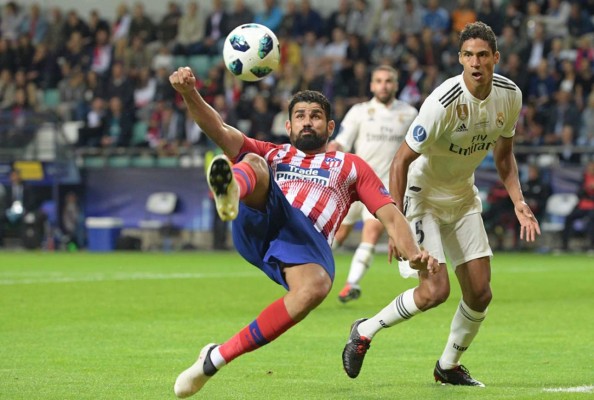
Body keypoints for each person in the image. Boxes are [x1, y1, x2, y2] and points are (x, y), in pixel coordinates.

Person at [168, 67, 439, 398]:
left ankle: (214, 359)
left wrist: (415, 256)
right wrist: (189, 93)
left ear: (329, 127)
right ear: (289, 126)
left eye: (315, 116)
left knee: (315, 288)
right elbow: (218, 129)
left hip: (305, 239)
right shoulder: (274, 153)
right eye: (300, 116)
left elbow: (390, 214)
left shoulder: (351, 165)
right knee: (253, 160)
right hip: (262, 219)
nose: (307, 121)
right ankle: (232, 191)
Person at [341, 22, 541, 387]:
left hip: (463, 196)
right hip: (423, 197)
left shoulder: (510, 95)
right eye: (468, 55)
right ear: (460, 59)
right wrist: (395, 224)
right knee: (435, 291)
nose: (476, 62)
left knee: (480, 293)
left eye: (483, 55)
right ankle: (365, 330)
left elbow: (504, 156)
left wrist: (519, 201)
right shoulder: (442, 102)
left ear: (495, 57)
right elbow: (401, 161)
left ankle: (447, 367)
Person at [327, 65, 418, 303]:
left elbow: (419, 151)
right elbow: (342, 142)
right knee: (340, 233)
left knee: (371, 231)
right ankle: (310, 270)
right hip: (352, 182)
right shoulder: (359, 112)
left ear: (396, 85)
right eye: (378, 81)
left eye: (388, 81)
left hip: (382, 187)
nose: (383, 85)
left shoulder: (409, 114)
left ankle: (351, 284)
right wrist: (330, 151)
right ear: (371, 85)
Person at [561, 160, 594, 252]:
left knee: (592, 220)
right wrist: (587, 189)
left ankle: (591, 245)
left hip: (592, 207)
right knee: (569, 217)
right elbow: (579, 194)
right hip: (582, 206)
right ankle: (564, 245)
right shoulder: (584, 179)